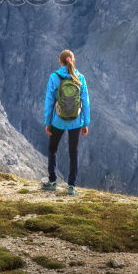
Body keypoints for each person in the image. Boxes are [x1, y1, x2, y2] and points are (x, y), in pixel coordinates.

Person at [41, 49, 90, 195]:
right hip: (76, 121)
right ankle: (71, 186)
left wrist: (47, 122)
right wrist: (85, 123)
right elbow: (85, 102)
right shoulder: (80, 77)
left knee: (52, 149)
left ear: (60, 61)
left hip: (58, 120)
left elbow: (49, 101)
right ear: (73, 61)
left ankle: (52, 181)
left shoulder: (54, 77)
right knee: (73, 152)